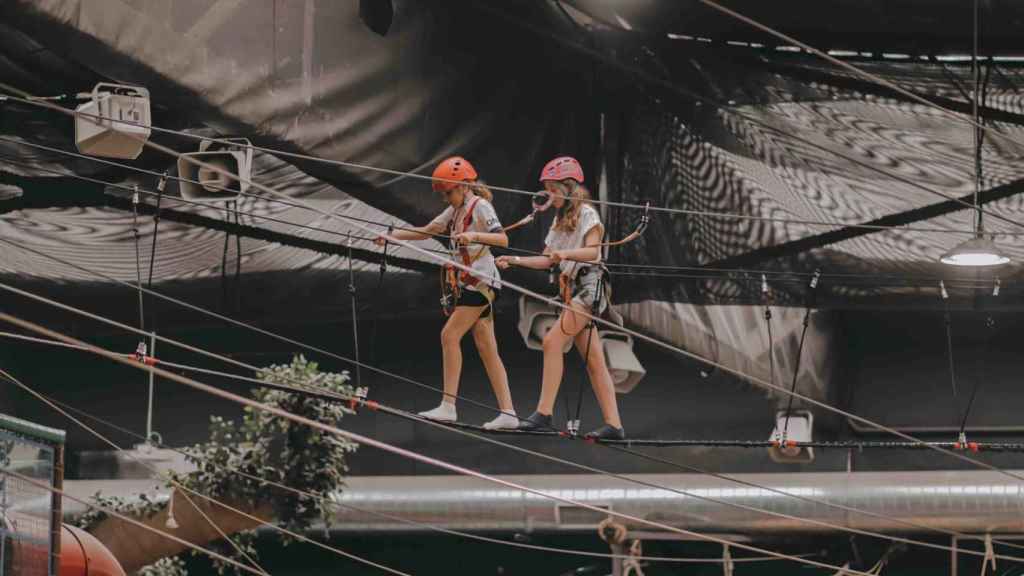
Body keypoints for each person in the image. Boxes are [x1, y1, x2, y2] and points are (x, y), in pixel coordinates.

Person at [376, 156, 518, 430]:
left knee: (449, 335)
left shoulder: (480, 206)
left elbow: (502, 239)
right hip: (473, 283)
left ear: (465, 186)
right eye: (444, 194)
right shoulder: (456, 210)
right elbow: (428, 230)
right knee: (487, 347)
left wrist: (474, 237)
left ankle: (448, 406)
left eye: (449, 192)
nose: (447, 198)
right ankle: (508, 412)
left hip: (481, 283)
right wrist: (392, 236)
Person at [496, 156, 625, 440]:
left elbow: (593, 252)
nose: (549, 194)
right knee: (593, 360)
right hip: (573, 291)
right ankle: (614, 425)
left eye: (553, 188)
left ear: (567, 187)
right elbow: (546, 261)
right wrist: (514, 259)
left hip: (589, 288)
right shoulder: (559, 221)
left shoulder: (588, 214)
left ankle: (544, 413)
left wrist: (566, 254)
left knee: (553, 341)